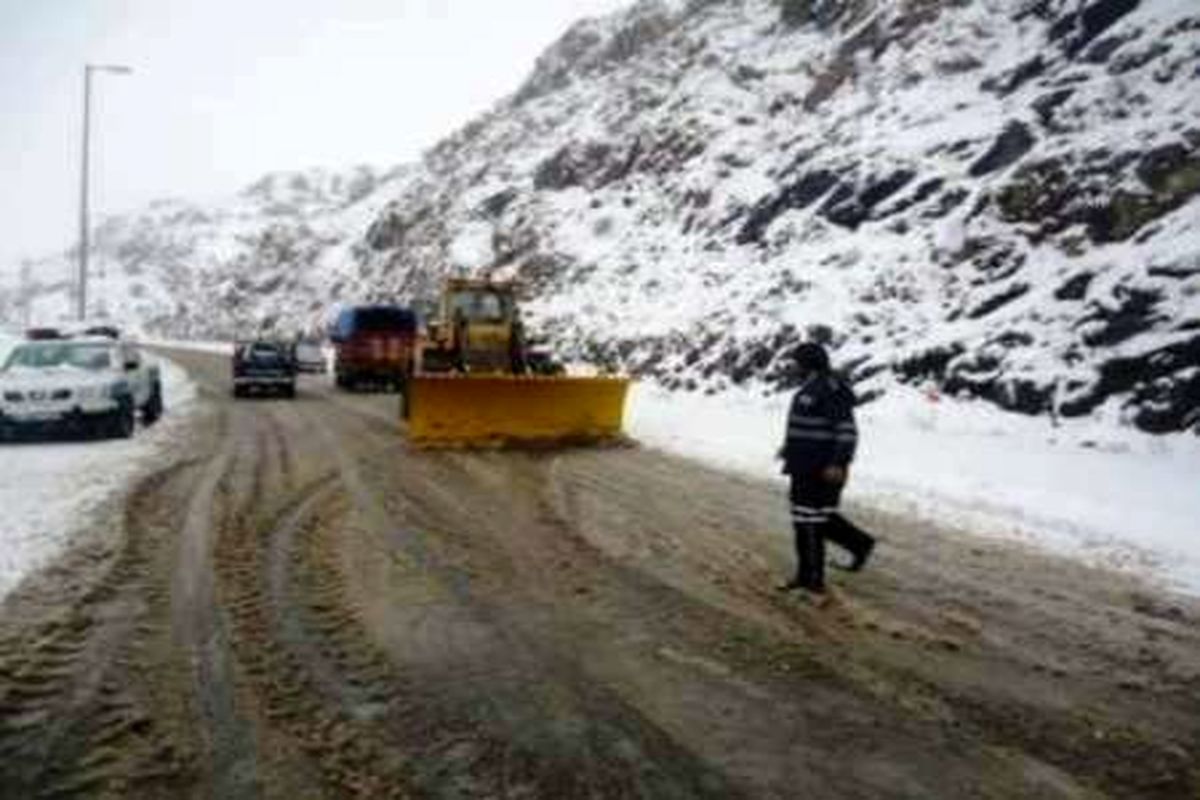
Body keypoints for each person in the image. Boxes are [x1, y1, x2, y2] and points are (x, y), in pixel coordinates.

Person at [777, 342, 875, 595]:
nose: (793, 368)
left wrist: (838, 462)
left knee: (811, 522)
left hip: (821, 468)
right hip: (804, 465)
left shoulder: (830, 388)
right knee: (806, 520)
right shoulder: (812, 387)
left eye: (796, 362)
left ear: (807, 364)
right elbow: (809, 426)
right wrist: (789, 448)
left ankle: (812, 581)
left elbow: (846, 430)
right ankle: (807, 575)